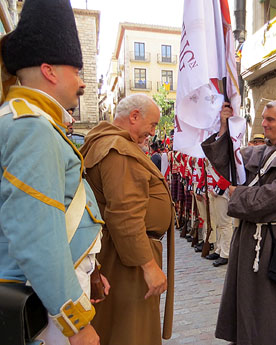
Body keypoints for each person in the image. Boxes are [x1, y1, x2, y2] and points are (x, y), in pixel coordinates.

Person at [0, 0, 108, 344]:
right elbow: (37, 238)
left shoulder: (32, 121)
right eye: (76, 71)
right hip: (44, 301)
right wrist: (76, 323)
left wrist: (91, 270)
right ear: (50, 71)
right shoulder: (31, 127)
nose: (82, 83)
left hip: (50, 290)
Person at [202, 99, 276, 345]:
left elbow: (273, 200)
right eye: (263, 119)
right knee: (244, 298)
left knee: (268, 306)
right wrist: (224, 128)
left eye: (271, 119)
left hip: (273, 240)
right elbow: (228, 166)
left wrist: (236, 193)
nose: (264, 124)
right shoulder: (257, 152)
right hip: (247, 237)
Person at [79, 94, 175, 345]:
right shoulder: (118, 149)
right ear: (134, 116)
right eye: (152, 125)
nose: (153, 133)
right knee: (131, 332)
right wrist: (149, 266)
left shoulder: (112, 144)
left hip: (125, 253)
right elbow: (125, 215)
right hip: (129, 261)